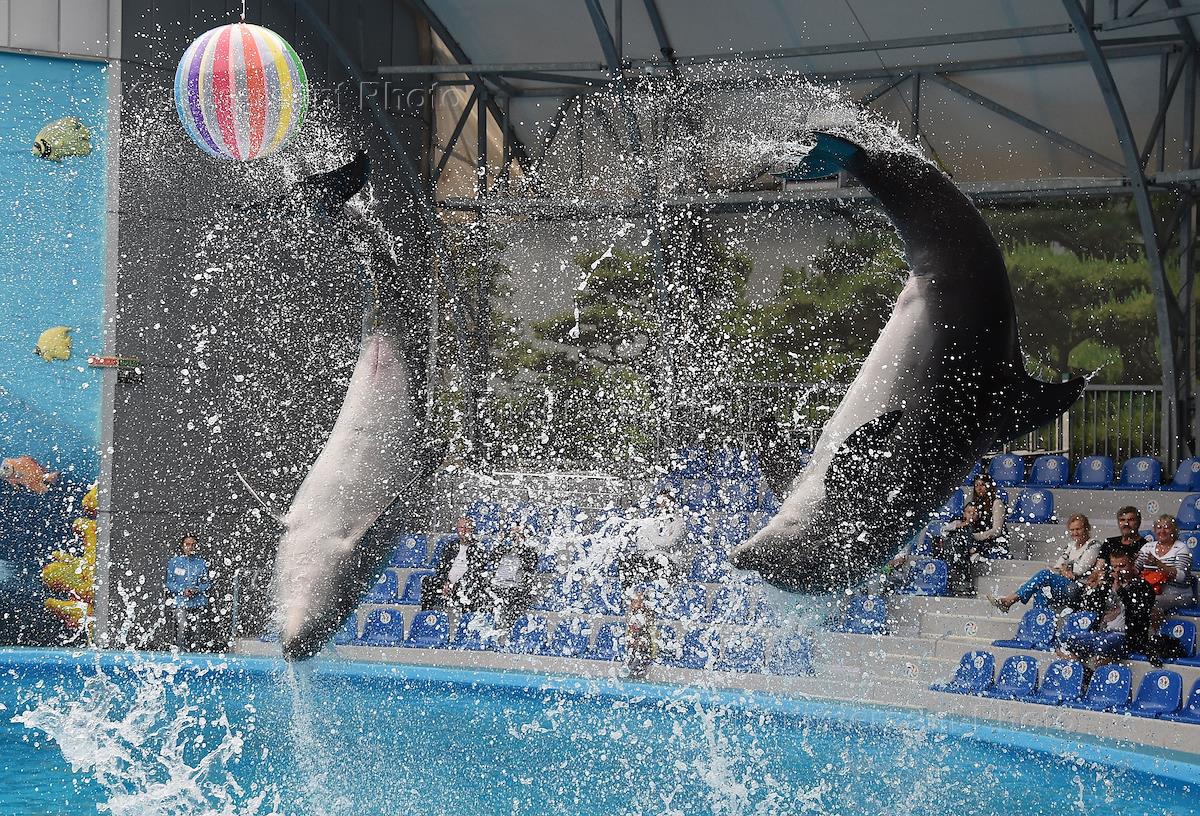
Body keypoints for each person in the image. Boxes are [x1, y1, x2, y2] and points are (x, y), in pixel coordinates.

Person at [1059, 551, 1160, 666]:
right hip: (1103, 633)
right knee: (1066, 639)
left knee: (1103, 645)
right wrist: (1097, 587)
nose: (1117, 570)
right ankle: (1083, 672)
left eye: (1122, 566)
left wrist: (1120, 591)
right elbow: (1091, 607)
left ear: (1132, 564)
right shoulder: (1108, 584)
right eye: (1114, 566)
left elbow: (1138, 612)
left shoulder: (1143, 586)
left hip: (1127, 637)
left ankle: (1094, 674)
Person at [987, 514, 1100, 613]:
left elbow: (1079, 570)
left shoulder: (1093, 545)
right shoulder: (1070, 546)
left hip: (1078, 588)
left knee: (1044, 575)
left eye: (1078, 529)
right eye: (1072, 530)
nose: (1075, 533)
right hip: (1065, 583)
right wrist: (1064, 570)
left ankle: (1011, 599)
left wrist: (1064, 569)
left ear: (1086, 528)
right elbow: (1058, 566)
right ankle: (1040, 623)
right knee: (1041, 588)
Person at [939, 474, 1008, 595]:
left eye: (982, 485)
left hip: (992, 540)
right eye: (976, 485)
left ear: (989, 486)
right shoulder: (975, 503)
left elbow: (997, 531)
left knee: (958, 541)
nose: (979, 488)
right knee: (955, 541)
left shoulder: (997, 503)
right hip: (973, 539)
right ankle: (962, 577)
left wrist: (974, 536)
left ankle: (960, 579)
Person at [619, 491, 684, 589]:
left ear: (672, 503)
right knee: (627, 562)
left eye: (665, 502)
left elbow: (669, 543)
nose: (662, 505)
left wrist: (652, 539)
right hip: (650, 556)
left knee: (660, 563)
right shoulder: (652, 520)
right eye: (660, 503)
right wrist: (657, 542)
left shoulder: (678, 522)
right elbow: (641, 543)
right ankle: (630, 596)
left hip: (669, 559)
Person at [1134, 514, 1195, 616]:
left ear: (1174, 530)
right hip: (1152, 591)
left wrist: (1159, 564)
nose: (1162, 531)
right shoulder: (1148, 546)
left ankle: (1150, 631)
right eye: (1159, 527)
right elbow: (1135, 570)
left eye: (1166, 527)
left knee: (1150, 601)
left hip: (1179, 594)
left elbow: (1181, 577)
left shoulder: (1181, 548)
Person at [424, 516, 487, 611]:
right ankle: (426, 614)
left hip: (465, 584)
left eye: (467, 527)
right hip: (448, 583)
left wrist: (455, 585)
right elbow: (442, 567)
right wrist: (446, 582)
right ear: (457, 530)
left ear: (472, 530)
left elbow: (474, 572)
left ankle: (464, 616)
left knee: (471, 586)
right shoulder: (451, 546)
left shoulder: (478, 548)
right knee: (427, 582)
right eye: (462, 528)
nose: (464, 530)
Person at [483, 524, 540, 628]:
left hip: (515, 590)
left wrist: (520, 545)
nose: (515, 537)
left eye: (519, 534)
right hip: (497, 588)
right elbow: (491, 558)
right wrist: (500, 542)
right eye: (513, 534)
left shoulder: (529, 551)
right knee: (486, 601)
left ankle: (509, 629)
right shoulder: (503, 548)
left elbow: (531, 564)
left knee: (514, 604)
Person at [164, 534, 211, 651]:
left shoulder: (201, 563)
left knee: (198, 632)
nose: (190, 547)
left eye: (193, 545)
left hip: (198, 602)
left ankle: (196, 655)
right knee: (182, 628)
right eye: (187, 544)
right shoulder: (174, 562)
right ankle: (180, 653)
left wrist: (197, 590)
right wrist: (182, 590)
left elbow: (207, 583)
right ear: (182, 546)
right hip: (181, 602)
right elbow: (169, 583)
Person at [625, 591, 657, 679]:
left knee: (635, 672)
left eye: (638, 601)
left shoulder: (645, 615)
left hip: (644, 649)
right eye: (633, 601)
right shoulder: (631, 614)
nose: (635, 603)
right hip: (634, 648)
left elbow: (648, 637)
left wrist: (636, 641)